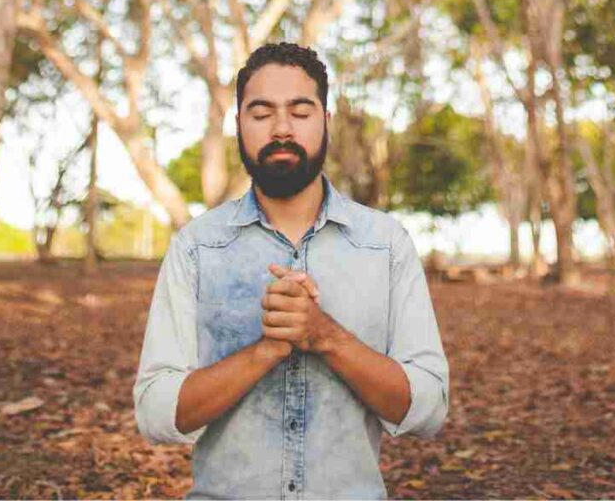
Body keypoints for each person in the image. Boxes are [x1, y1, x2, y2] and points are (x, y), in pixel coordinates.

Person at [133, 41, 449, 500]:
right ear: (239, 124)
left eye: (300, 111)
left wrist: (324, 336)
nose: (281, 128)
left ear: (326, 121)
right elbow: (157, 415)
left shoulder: (385, 244)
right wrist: (266, 351)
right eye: (261, 114)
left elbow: (428, 409)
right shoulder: (197, 248)